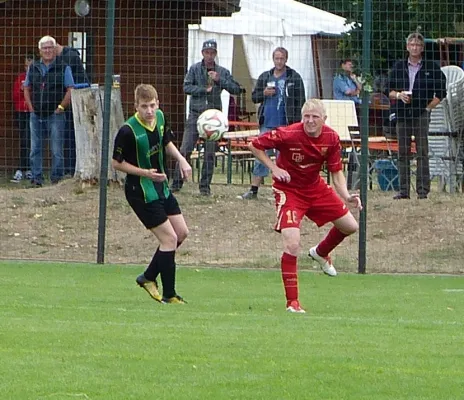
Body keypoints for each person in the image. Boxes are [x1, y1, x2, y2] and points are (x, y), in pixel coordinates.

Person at [249, 99, 362, 313]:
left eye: (315, 117)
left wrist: (346, 195)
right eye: (306, 117)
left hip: (315, 187)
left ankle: (320, 253)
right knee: (292, 243)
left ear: (324, 119)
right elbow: (254, 145)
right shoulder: (289, 133)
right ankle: (292, 303)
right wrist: (274, 168)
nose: (310, 121)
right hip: (289, 190)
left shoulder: (331, 138)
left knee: (350, 226)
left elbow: (336, 172)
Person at [112, 84, 192, 304]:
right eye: (144, 106)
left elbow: (166, 141)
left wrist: (182, 160)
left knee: (182, 233)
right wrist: (144, 172)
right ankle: (169, 294)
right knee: (169, 239)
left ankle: (148, 277)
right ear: (136, 106)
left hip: (160, 187)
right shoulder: (128, 131)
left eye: (152, 105)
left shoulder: (159, 118)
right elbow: (116, 164)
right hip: (140, 191)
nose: (149, 110)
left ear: (158, 104)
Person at [171, 39, 241, 196]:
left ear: (215, 54)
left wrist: (219, 80)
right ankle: (176, 183)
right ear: (202, 53)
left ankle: (205, 187)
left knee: (210, 153)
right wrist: (204, 89)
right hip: (196, 115)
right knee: (185, 149)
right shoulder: (194, 69)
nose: (209, 55)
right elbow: (186, 87)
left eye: (212, 53)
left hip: (214, 118)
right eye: (206, 52)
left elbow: (236, 88)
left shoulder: (222, 71)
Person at [239, 47, 306, 200]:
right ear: (273, 59)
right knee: (261, 155)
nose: (279, 61)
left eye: (282, 58)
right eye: (276, 58)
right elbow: (254, 97)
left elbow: (301, 100)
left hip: (286, 125)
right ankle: (253, 189)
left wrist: (296, 124)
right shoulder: (265, 76)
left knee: (284, 158)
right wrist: (263, 93)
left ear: (286, 59)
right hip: (267, 123)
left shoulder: (294, 77)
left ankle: (283, 190)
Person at [387, 32, 446, 200]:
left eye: (418, 45)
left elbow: (441, 92)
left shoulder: (431, 67)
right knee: (403, 152)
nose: (415, 47)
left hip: (421, 113)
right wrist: (399, 96)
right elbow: (387, 90)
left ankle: (422, 191)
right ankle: (403, 190)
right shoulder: (398, 67)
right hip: (403, 113)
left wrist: (428, 109)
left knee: (422, 151)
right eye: (412, 45)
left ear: (422, 48)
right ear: (407, 47)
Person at [23, 35, 75, 187]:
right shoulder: (33, 67)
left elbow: (70, 89)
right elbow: (26, 87)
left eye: (50, 47)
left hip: (55, 114)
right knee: (35, 149)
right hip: (36, 114)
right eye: (44, 48)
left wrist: (61, 107)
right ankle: (36, 179)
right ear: (40, 51)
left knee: (56, 149)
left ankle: (56, 179)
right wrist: (31, 108)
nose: (47, 50)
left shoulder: (64, 67)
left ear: (54, 49)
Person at [56, 42, 90, 177]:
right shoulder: (70, 55)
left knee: (72, 136)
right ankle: (70, 169)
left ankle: (72, 169)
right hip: (71, 101)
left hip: (77, 101)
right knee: (70, 137)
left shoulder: (68, 57)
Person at [11, 52, 36, 183]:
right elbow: (14, 96)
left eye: (30, 65)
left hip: (33, 112)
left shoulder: (36, 77)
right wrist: (22, 90)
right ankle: (22, 168)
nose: (28, 68)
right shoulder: (20, 77)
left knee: (32, 140)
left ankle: (30, 168)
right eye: (26, 66)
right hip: (21, 111)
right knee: (24, 140)